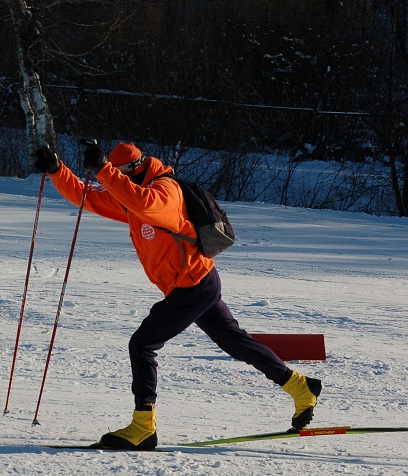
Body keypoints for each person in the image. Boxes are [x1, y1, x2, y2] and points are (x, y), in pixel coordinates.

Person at [34, 141, 322, 450]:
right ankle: (300, 387)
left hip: (192, 285)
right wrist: (56, 170)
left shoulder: (164, 191)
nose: (118, 179)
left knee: (142, 344)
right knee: (236, 342)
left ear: (136, 169)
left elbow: (145, 204)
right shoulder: (130, 190)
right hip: (196, 282)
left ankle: (143, 427)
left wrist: (104, 171)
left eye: (121, 173)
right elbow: (88, 198)